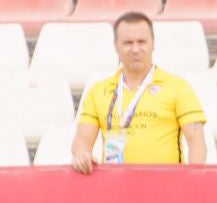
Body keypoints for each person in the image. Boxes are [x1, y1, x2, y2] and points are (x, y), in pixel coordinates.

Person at [71, 11, 207, 173]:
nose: (135, 49)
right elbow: (82, 139)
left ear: (153, 44)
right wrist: (82, 154)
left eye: (142, 42)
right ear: (116, 46)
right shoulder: (98, 90)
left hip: (165, 188)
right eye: (128, 43)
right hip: (115, 187)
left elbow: (196, 141)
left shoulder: (178, 87)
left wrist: (195, 181)